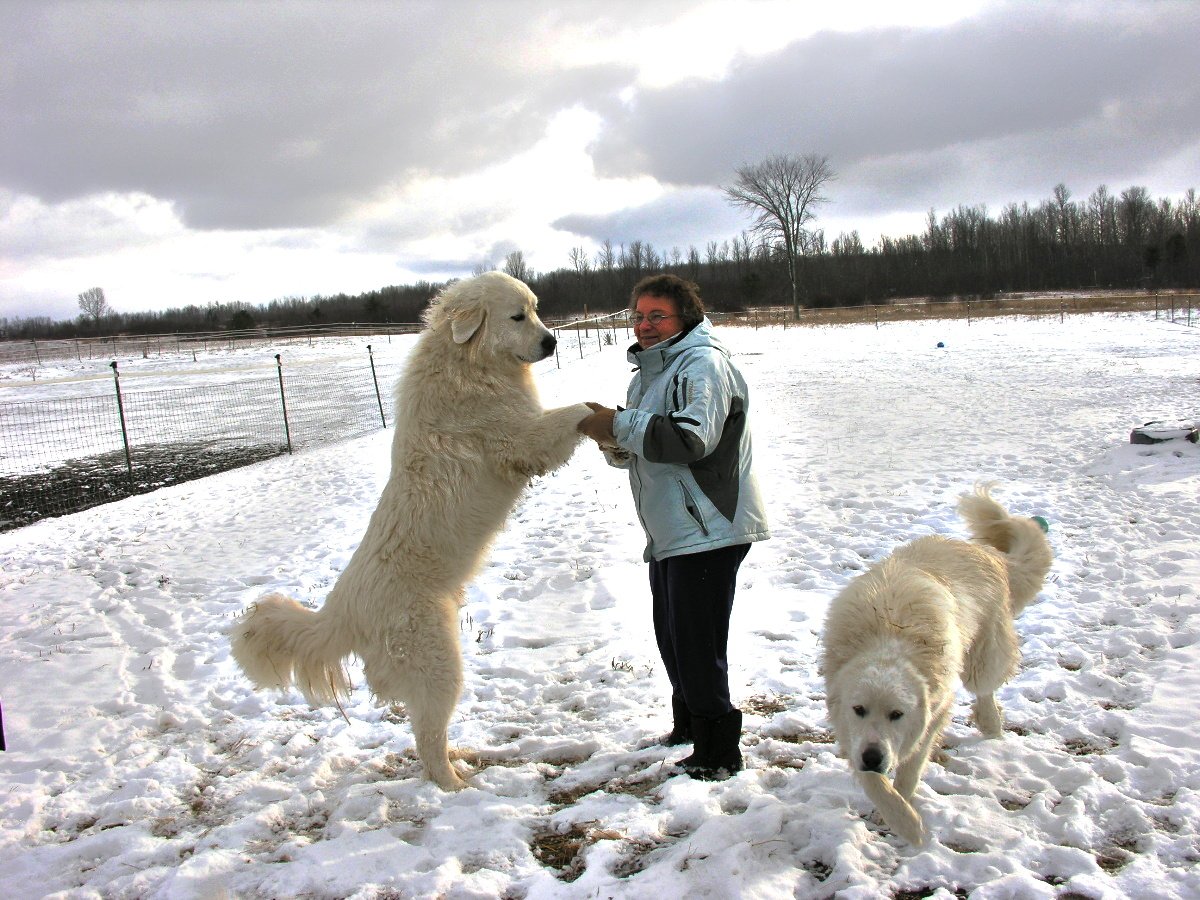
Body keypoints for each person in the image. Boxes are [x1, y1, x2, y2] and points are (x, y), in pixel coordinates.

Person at [577, 274, 769, 780]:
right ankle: (689, 726)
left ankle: (718, 750)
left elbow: (690, 441)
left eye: (657, 316)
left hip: (708, 526)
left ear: (684, 317)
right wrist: (614, 442)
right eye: (639, 315)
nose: (645, 325)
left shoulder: (701, 364)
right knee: (674, 636)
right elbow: (648, 450)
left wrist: (619, 425)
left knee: (697, 642)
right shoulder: (649, 374)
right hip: (672, 530)